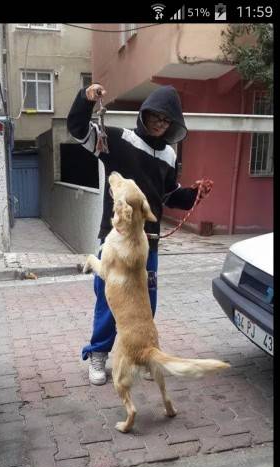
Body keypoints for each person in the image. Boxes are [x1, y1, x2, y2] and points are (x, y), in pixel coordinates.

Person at [67, 83, 213, 385]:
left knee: (146, 303)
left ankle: (143, 354)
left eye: (166, 120)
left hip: (150, 245)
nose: (160, 124)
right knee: (110, 301)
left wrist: (194, 194)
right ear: (144, 113)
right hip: (116, 239)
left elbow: (170, 194)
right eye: (155, 116)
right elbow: (78, 128)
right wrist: (85, 99)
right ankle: (97, 354)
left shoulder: (170, 155)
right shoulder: (120, 139)